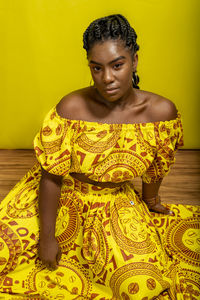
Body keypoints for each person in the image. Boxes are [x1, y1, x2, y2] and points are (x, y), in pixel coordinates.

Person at [0, 14, 199, 300]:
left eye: (117, 65)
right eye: (96, 68)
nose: (107, 78)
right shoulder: (71, 107)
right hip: (59, 195)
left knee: (140, 284)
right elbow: (51, 177)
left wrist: (152, 202)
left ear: (134, 61)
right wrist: (47, 237)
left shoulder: (161, 114)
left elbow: (156, 168)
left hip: (113, 203)